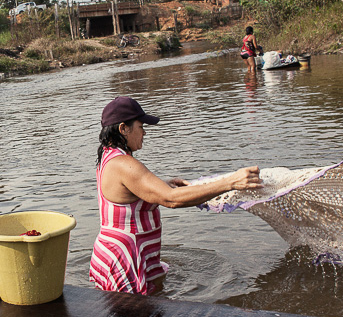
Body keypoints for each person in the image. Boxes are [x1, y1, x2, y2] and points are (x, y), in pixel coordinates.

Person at [89, 96, 262, 295]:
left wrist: (162, 183)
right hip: (124, 256)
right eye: (140, 126)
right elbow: (171, 199)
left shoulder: (108, 157)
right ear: (123, 129)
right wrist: (230, 182)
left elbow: (129, 192)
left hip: (119, 251)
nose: (144, 132)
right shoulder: (123, 164)